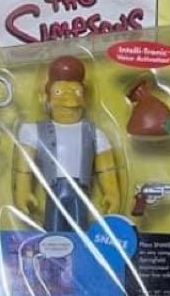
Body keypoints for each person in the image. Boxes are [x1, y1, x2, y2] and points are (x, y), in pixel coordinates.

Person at [14, 57, 120, 233]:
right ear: (45, 98)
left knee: (79, 229)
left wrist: (111, 192)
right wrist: (23, 191)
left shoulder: (94, 133)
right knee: (53, 229)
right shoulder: (34, 132)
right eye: (58, 92)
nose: (69, 99)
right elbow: (24, 168)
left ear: (84, 99)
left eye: (76, 92)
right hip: (53, 191)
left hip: (80, 192)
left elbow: (106, 168)